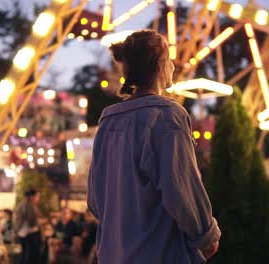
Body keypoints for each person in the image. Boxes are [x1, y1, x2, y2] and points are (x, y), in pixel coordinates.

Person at [87, 30, 221, 264]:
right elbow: (181, 187)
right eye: (168, 58)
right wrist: (206, 235)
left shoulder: (108, 121)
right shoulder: (167, 116)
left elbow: (96, 202)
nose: (172, 65)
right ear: (160, 64)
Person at [14, 189, 42, 263]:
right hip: (28, 234)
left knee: (24, 255)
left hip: (23, 233)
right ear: (32, 197)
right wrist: (40, 223)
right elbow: (31, 221)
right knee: (29, 256)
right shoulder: (28, 205)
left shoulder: (23, 204)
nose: (38, 198)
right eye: (37, 196)